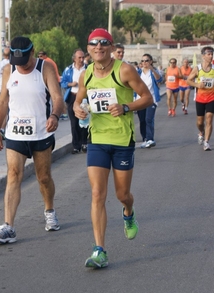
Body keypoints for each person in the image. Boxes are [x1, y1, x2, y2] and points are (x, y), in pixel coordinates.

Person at [73, 28, 153, 268]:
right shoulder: (86, 73)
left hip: (122, 141)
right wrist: (78, 108)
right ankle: (100, 250)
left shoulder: (124, 70)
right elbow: (79, 99)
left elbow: (147, 98)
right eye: (94, 44)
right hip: (97, 138)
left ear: (110, 46)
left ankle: (129, 212)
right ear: (88, 49)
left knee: (122, 195)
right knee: (98, 193)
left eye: (104, 43)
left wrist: (126, 107)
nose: (99, 47)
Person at [0, 36, 64, 243]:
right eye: (17, 62)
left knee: (44, 177)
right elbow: (3, 102)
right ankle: (8, 227)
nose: (21, 66)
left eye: (25, 62)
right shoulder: (8, 71)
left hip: (41, 132)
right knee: (13, 174)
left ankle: (49, 210)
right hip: (15, 133)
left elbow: (58, 97)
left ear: (33, 53)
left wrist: (55, 116)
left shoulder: (45, 68)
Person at [187, 46, 214, 151]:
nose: (211, 56)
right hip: (200, 98)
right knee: (200, 122)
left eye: (212, 54)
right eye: (208, 54)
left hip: (212, 98)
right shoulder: (197, 68)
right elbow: (188, 80)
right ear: (203, 56)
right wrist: (197, 85)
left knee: (209, 118)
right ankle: (201, 132)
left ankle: (206, 142)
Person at [61, 49, 88, 154]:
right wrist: (70, 84)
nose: (81, 60)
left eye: (83, 57)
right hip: (72, 96)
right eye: (79, 58)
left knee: (84, 121)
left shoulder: (88, 69)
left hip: (84, 98)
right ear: (74, 59)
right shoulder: (68, 69)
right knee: (74, 122)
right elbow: (62, 82)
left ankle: (84, 143)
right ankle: (76, 145)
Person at [137, 53, 162, 148]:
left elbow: (159, 80)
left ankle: (150, 139)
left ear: (151, 62)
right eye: (142, 61)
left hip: (151, 99)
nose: (144, 62)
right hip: (139, 100)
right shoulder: (138, 72)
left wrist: (152, 69)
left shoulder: (153, 72)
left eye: (146, 60)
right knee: (142, 120)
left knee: (149, 119)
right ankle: (145, 138)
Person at [38, 50, 68, 121]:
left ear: (45, 55)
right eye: (38, 56)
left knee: (57, 98)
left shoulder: (47, 62)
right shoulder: (47, 61)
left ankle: (64, 114)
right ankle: (62, 113)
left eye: (41, 56)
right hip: (54, 80)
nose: (39, 58)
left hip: (54, 81)